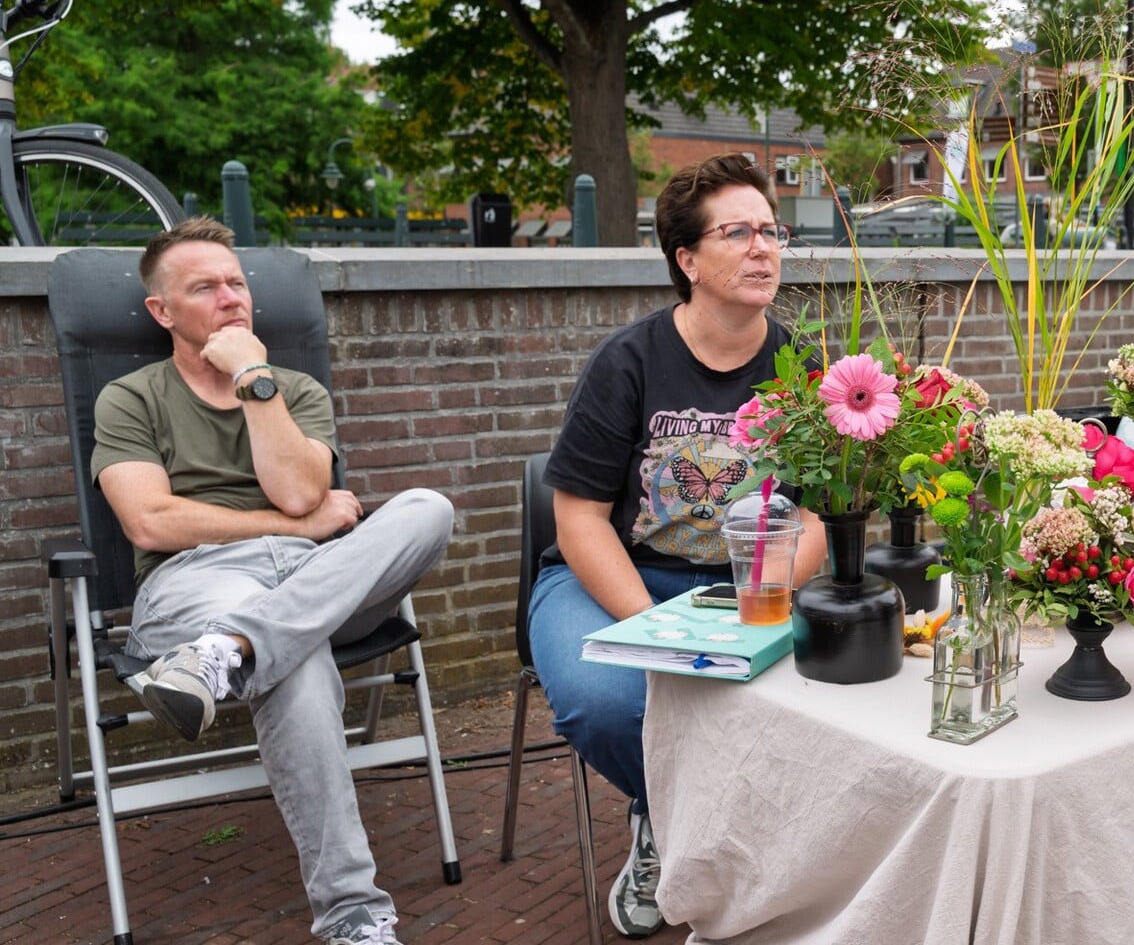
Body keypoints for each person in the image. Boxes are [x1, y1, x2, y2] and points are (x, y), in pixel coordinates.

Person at [92, 219, 455, 945]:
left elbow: (297, 489)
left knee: (427, 508)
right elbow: (150, 523)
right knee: (296, 657)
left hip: (317, 575)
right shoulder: (130, 398)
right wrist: (301, 525)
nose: (231, 299)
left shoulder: (290, 390)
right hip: (197, 581)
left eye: (237, 283)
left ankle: (226, 651)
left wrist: (253, 380)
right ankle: (353, 914)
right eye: (205, 288)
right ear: (162, 311)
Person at [529, 153, 826, 938]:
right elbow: (579, 520)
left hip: (749, 582)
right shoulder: (628, 363)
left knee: (821, 698)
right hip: (612, 580)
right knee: (610, 702)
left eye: (771, 231)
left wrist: (765, 597)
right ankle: (666, 820)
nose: (763, 248)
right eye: (738, 233)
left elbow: (818, 519)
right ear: (687, 260)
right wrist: (657, 634)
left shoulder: (803, 367)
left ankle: (739, 839)